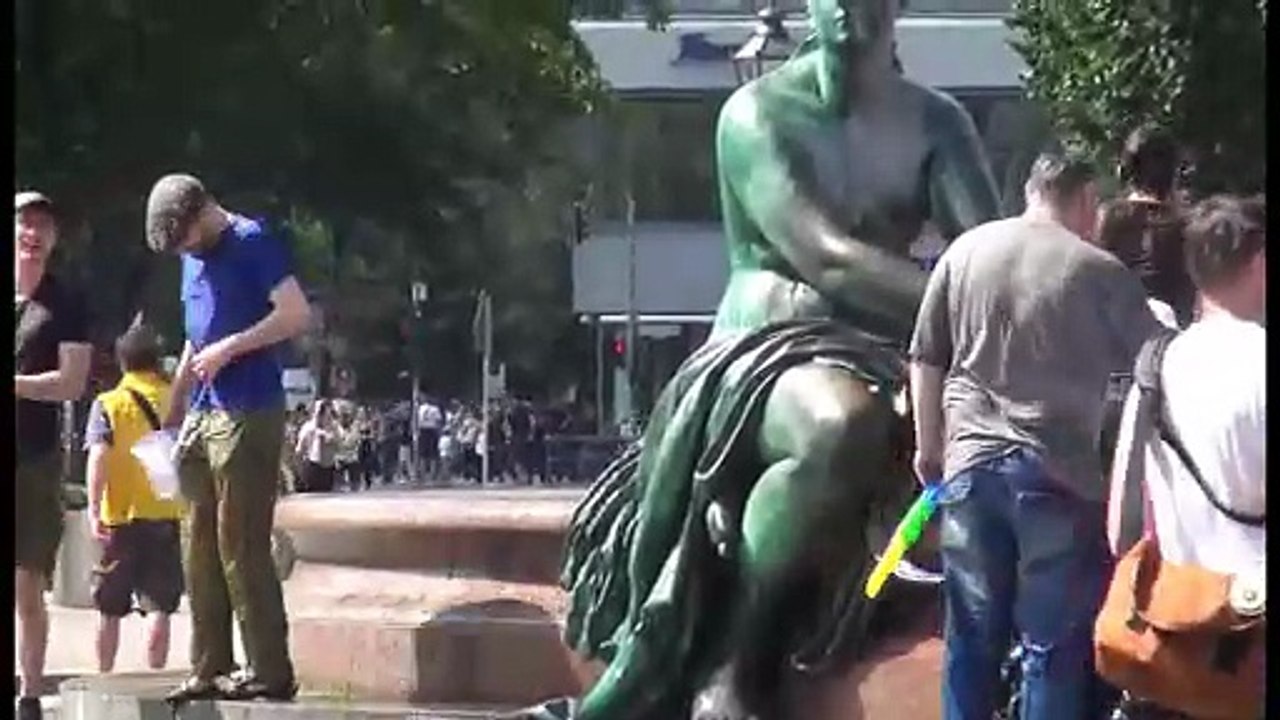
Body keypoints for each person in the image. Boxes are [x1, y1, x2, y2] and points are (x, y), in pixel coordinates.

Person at [521, 1, 1001, 717]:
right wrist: (971, 318)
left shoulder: (938, 124)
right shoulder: (756, 114)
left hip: (888, 347)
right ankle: (734, 659)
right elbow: (828, 262)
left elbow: (991, 256)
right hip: (764, 350)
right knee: (841, 423)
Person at [909, 151, 1162, 720]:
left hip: (969, 467)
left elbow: (926, 356)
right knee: (1053, 647)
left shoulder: (966, 251)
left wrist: (930, 448)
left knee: (971, 637)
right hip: (1058, 474)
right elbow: (1157, 363)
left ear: (1030, 192)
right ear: (1085, 201)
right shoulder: (1098, 271)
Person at [145, 173, 311, 703]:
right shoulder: (189, 257)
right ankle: (210, 664)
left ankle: (269, 670)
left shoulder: (253, 241)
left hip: (250, 407)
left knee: (239, 542)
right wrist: (173, 406)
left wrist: (232, 348)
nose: (185, 250)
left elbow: (294, 314)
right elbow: (196, 339)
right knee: (197, 544)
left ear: (205, 211)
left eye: (186, 238)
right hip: (202, 410)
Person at [1106, 195, 1265, 716]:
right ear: (1260, 263)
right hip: (1250, 637)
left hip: (1175, 632)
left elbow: (1119, 528)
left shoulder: (1158, 361)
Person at [15, 191, 92, 720]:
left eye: (43, 225)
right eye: (24, 223)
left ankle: (30, 695)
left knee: (28, 582)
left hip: (34, 457)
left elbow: (72, 382)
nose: (33, 233)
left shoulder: (66, 305)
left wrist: (16, 385)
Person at [83, 323, 184, 674]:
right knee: (159, 607)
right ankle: (154, 681)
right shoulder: (176, 399)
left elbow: (98, 458)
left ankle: (105, 677)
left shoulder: (109, 404)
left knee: (109, 608)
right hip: (167, 513)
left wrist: (94, 510)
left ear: (122, 362)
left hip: (120, 516)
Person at [1095, 125, 1197, 328]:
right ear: (1174, 173)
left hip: (1115, 337)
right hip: (1171, 341)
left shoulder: (1105, 219)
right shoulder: (1188, 227)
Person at [294, 400, 339, 493]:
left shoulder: (334, 428)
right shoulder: (308, 428)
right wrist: (300, 474)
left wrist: (331, 438)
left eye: (330, 415)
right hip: (313, 469)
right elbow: (299, 451)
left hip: (329, 469)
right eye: (326, 415)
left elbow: (339, 445)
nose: (329, 418)